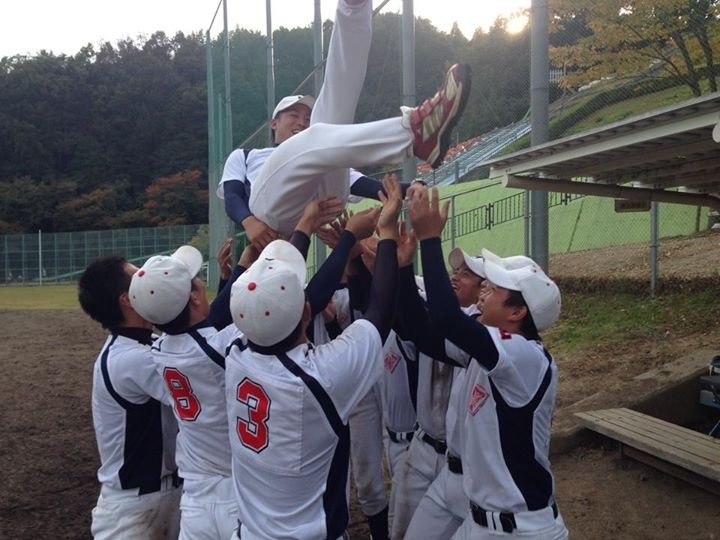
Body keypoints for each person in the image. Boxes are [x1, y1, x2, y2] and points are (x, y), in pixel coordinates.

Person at [224, 175, 402, 540]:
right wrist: (386, 232)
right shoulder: (321, 375)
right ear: (308, 311)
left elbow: (285, 295)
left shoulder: (234, 352)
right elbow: (381, 311)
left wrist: (306, 226)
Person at [218, 0, 471, 244]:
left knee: (329, 123)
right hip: (269, 213)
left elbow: (368, 186)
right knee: (316, 138)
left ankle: (354, 6)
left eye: (306, 117)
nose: (302, 121)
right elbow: (232, 195)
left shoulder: (323, 145)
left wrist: (414, 186)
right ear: (274, 123)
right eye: (293, 115)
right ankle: (415, 133)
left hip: (323, 201)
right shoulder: (246, 156)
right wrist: (248, 221)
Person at [406, 186, 568, 539]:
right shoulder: (494, 351)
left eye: (494, 289)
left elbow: (447, 319)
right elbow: (422, 331)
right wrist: (403, 266)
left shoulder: (524, 355)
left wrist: (429, 240)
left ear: (517, 312)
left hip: (522, 530)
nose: (483, 292)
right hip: (480, 520)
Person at [78, 255, 182, 540]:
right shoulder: (131, 358)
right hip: (134, 510)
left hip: (157, 499)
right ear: (127, 299)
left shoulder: (141, 345)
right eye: (141, 277)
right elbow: (197, 380)